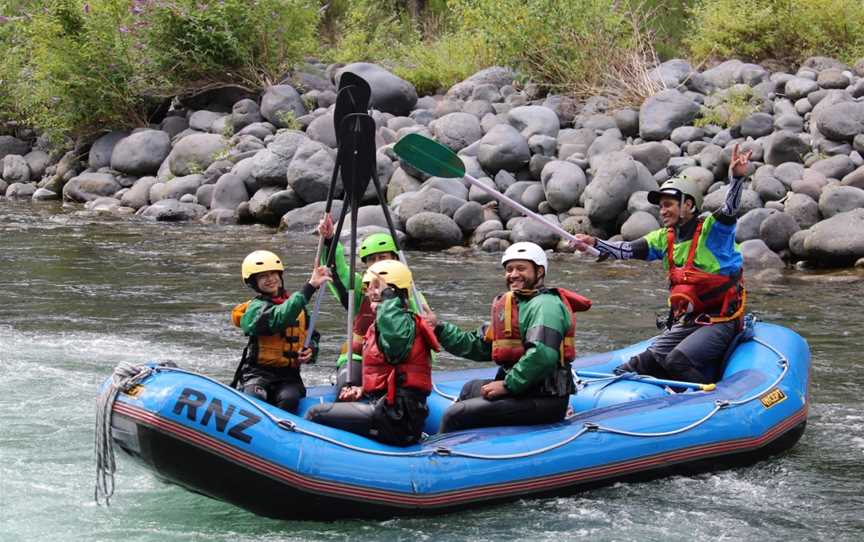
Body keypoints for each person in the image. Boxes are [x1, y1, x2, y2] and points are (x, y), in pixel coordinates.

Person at [571, 144, 752, 384]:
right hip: (689, 321)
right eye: (661, 206)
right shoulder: (663, 238)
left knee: (677, 360)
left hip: (722, 322)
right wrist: (593, 243)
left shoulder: (712, 233)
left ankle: (707, 397)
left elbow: (729, 210)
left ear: (688, 205)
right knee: (638, 364)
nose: (662, 211)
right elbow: (625, 250)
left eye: (669, 204)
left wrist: (737, 179)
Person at [425, 242, 591, 434]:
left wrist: (507, 386)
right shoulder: (512, 304)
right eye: (509, 269)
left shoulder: (546, 306)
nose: (513, 274)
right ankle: (473, 445)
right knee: (471, 389)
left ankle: (442, 458)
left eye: (521, 268)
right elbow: (479, 346)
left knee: (456, 415)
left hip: (545, 398)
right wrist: (439, 329)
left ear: (539, 272)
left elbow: (543, 354)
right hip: (524, 391)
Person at [304, 260, 440, 446]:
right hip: (387, 408)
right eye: (369, 288)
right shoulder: (381, 326)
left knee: (315, 414)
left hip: (397, 417)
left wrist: (388, 300)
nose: (372, 292)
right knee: (337, 407)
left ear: (395, 292)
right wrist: (362, 391)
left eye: (380, 288)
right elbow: (390, 375)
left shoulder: (402, 327)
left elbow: (395, 348)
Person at [317, 214, 430, 388]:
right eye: (371, 259)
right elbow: (338, 272)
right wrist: (330, 239)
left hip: (396, 361)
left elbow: (424, 339)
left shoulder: (412, 295)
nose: (376, 263)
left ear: (394, 259)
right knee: (348, 387)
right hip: (358, 358)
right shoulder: (359, 289)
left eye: (382, 257)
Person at [230, 250, 331, 413]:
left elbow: (312, 335)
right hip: (257, 373)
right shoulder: (254, 310)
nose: (270, 279)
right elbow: (278, 318)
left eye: (273, 274)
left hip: (289, 376)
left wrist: (310, 349)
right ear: (254, 283)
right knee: (255, 398)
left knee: (288, 399)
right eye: (263, 276)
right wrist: (310, 287)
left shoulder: (299, 308)